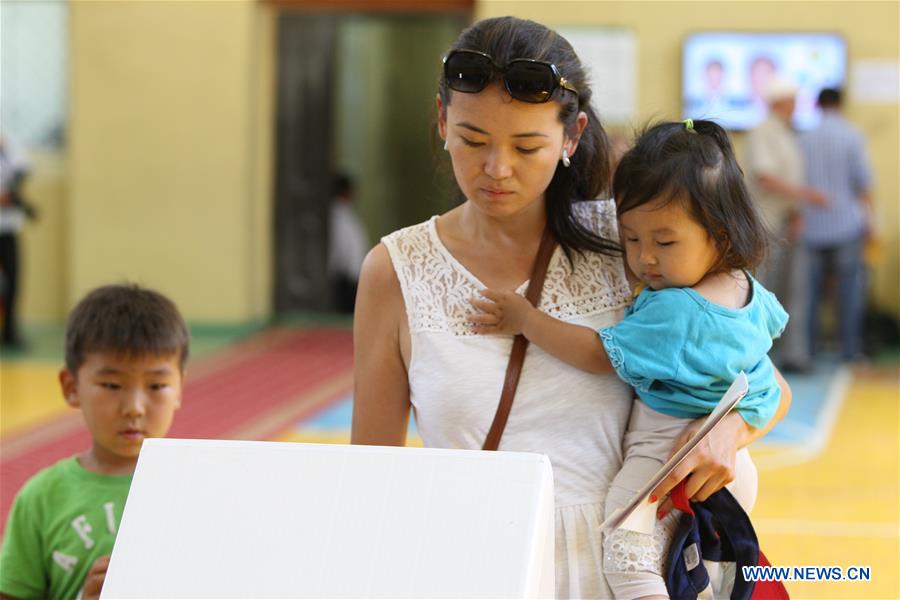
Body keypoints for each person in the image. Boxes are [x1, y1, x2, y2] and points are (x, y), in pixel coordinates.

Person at [351, 17, 790, 598]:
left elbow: (768, 385)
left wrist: (726, 435)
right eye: (472, 139)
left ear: (572, 136)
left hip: (627, 569)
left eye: (526, 145)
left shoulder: (632, 246)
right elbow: (371, 478)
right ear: (441, 123)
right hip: (474, 565)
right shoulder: (396, 270)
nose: (496, 169)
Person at [470, 119, 787, 599]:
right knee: (692, 573)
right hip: (735, 466)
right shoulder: (747, 289)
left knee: (626, 557)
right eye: (632, 239)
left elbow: (599, 353)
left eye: (664, 242)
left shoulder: (674, 311)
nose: (644, 259)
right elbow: (772, 340)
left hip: (666, 454)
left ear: (719, 237)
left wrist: (527, 320)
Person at [0, 284, 189, 600]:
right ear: (71, 387)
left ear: (180, 387)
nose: (134, 407)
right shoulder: (43, 498)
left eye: (156, 385)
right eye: (112, 384)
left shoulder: (200, 485)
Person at [745, 77, 827, 372]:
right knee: (763, 290)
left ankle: (792, 355)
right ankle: (756, 358)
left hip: (784, 222)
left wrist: (796, 213)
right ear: (780, 103)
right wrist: (809, 196)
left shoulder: (785, 133)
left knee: (793, 289)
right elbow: (764, 177)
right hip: (766, 225)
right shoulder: (763, 132)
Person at [799, 88, 874, 361]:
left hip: (811, 226)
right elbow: (864, 184)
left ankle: (808, 351)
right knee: (849, 292)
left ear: (817, 105)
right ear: (842, 104)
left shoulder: (803, 138)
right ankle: (850, 350)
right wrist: (871, 222)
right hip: (846, 225)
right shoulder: (852, 135)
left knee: (809, 294)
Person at [0, 134, 36, 349]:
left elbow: (23, 168)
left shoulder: (10, 150)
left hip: (9, 229)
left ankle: (9, 331)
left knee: (13, 280)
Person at [327, 173, 369, 314]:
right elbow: (342, 249)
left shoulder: (345, 214)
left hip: (351, 278)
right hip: (345, 280)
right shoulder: (338, 215)